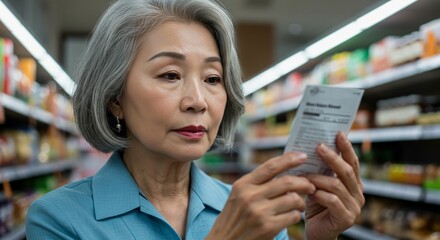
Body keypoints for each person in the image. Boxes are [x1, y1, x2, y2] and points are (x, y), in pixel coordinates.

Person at [26, 0, 364, 239]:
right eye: (170, 75)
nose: (198, 101)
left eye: (213, 79)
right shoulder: (58, 219)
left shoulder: (255, 212)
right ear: (115, 98)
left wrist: (321, 239)